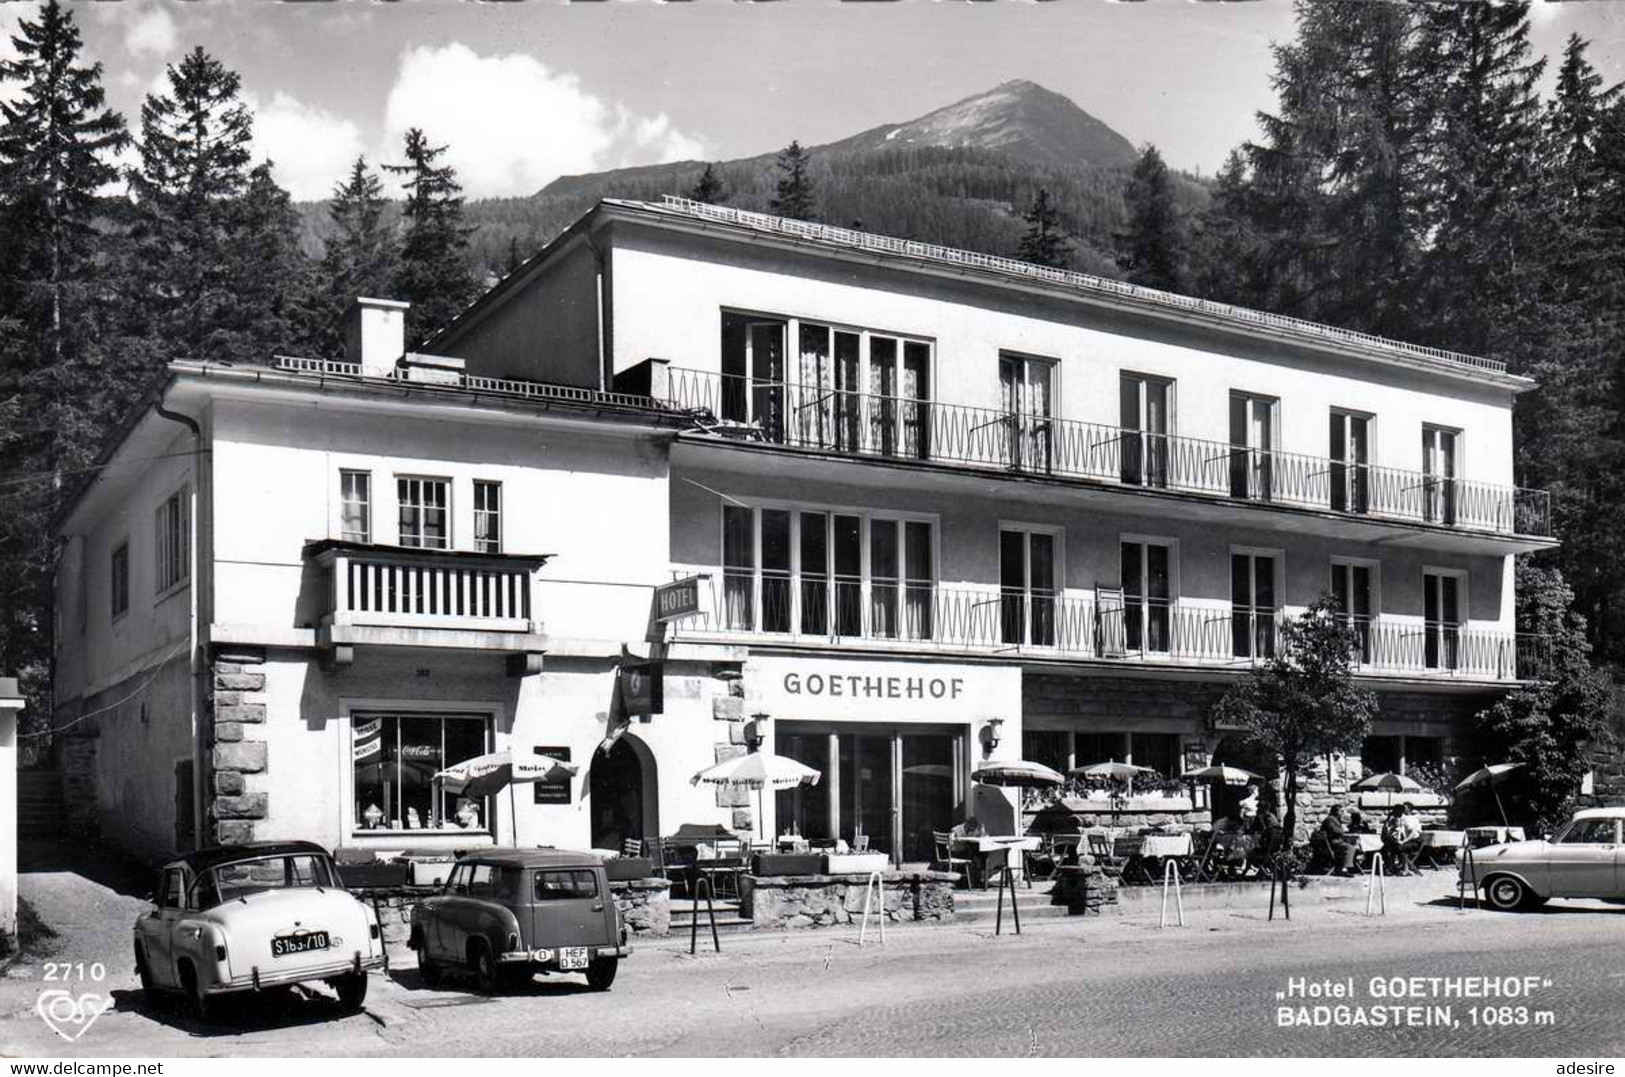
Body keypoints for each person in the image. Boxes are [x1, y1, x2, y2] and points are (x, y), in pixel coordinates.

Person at [1383, 802, 1424, 875]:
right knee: (1391, 846)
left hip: (1415, 841)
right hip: (1408, 840)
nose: (1395, 816)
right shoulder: (1398, 819)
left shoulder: (1407, 819)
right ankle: (1392, 867)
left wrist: (1403, 841)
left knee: (1400, 847)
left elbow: (1413, 833)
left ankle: (1405, 869)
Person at [1319, 805, 1360, 875]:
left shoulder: (1336, 820)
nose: (1343, 813)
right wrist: (1343, 829)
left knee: (1356, 846)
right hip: (1333, 843)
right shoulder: (1330, 820)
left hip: (1337, 842)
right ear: (1336, 812)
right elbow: (1334, 830)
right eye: (1341, 811)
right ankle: (1344, 869)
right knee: (1349, 847)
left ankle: (1352, 867)